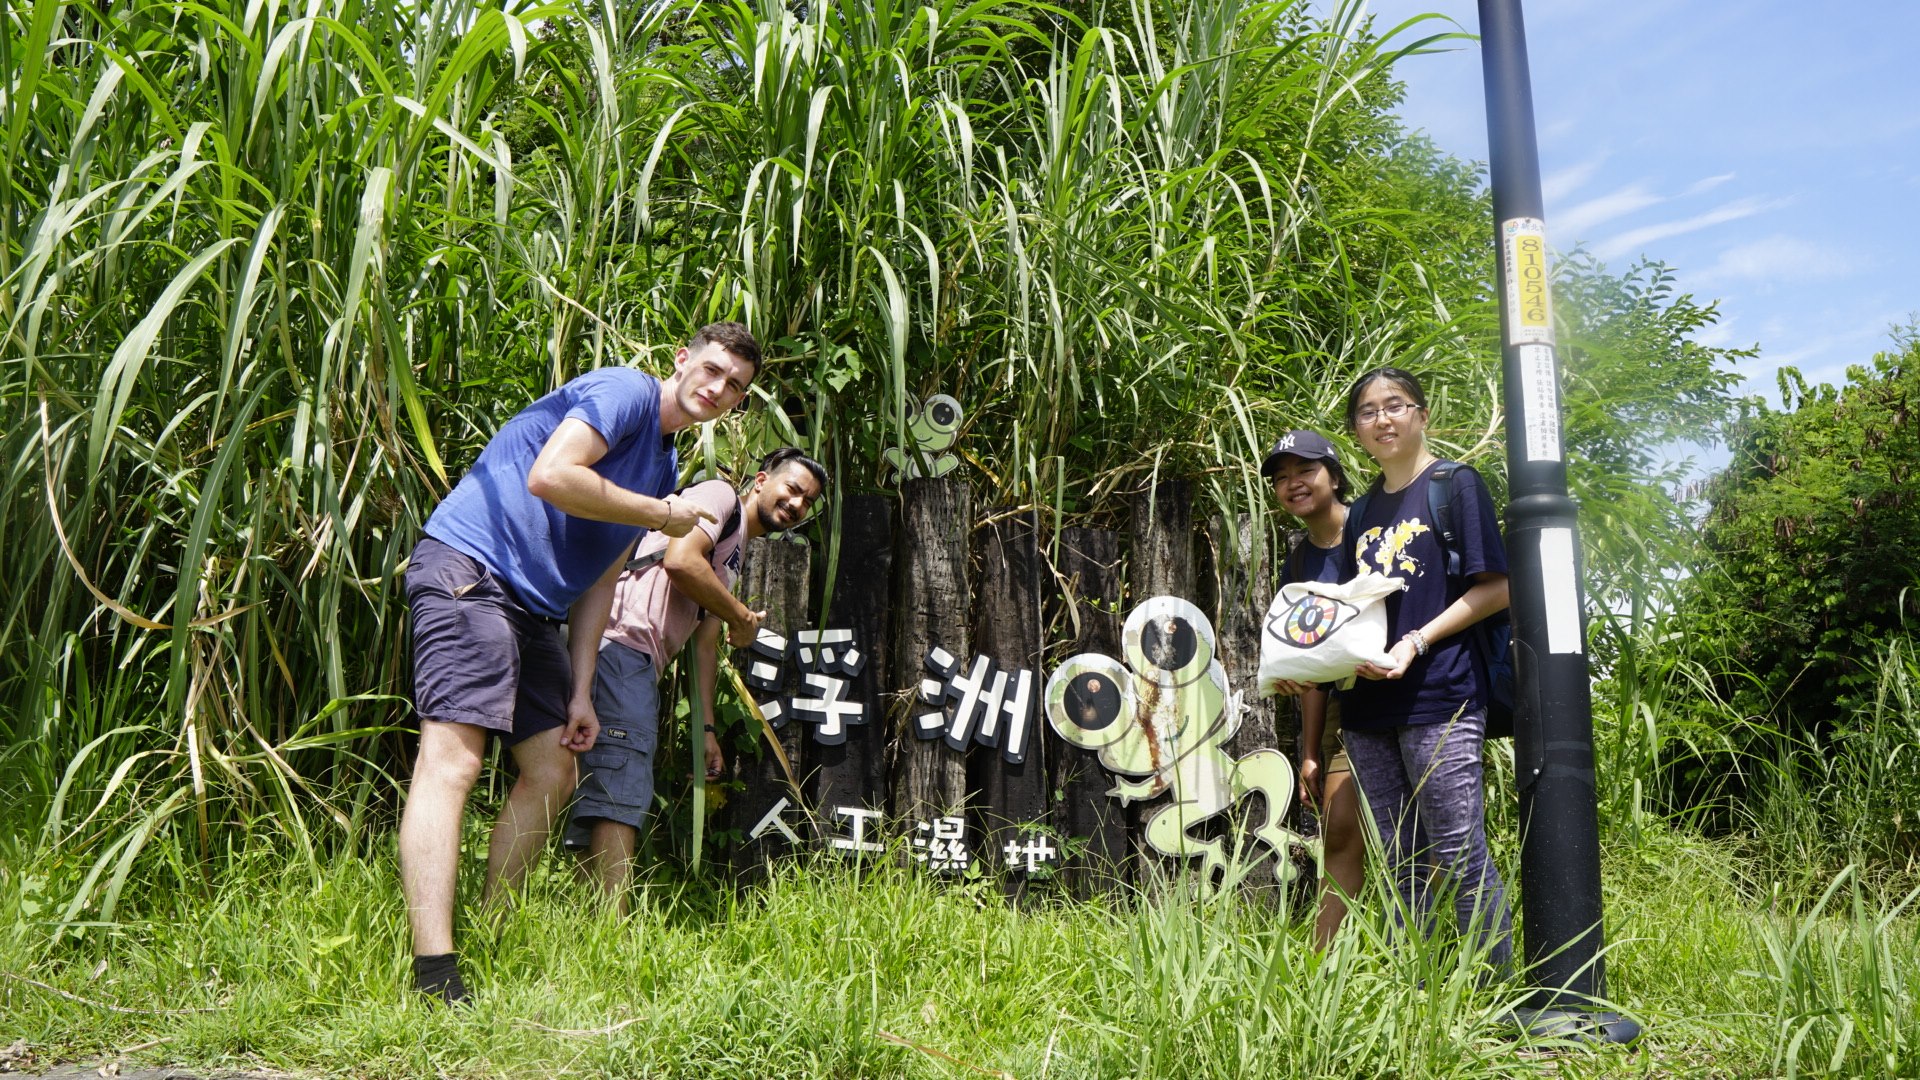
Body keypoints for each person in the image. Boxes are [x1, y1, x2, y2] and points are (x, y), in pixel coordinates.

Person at [398, 322, 761, 1004]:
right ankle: (435, 970)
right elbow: (551, 474)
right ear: (682, 360)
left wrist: (582, 690)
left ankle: (493, 931)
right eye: (711, 370)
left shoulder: (663, 465)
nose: (718, 389)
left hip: (536, 611)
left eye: (735, 387)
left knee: (554, 769)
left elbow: (601, 579)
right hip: (471, 569)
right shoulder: (625, 392)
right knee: (455, 760)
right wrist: (662, 514)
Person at [565, 447, 828, 913]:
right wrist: (741, 616)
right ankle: (611, 934)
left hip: (633, 657)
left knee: (606, 784)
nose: (797, 505)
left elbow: (705, 645)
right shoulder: (718, 497)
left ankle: (589, 924)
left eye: (808, 502)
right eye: (792, 490)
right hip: (621, 643)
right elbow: (682, 561)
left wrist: (706, 731)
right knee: (620, 788)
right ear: (762, 480)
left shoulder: (736, 550)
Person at [1334, 367, 1513, 971]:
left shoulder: (1454, 485)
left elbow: (1495, 589)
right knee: (1400, 857)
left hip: (1441, 693)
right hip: (1367, 704)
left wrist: (1416, 641)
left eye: (1395, 405)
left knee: (1459, 848)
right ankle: (1423, 989)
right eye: (1368, 411)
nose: (1382, 419)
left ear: (1421, 415)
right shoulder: (1360, 512)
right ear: (1357, 430)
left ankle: (1494, 991)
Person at [1260, 429, 1364, 949]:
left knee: (1424, 836)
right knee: (1339, 826)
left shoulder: (1374, 527)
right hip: (1347, 710)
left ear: (1335, 474)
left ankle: (1444, 960)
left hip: (1409, 701)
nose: (1292, 484)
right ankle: (1323, 967)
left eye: (1304, 470)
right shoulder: (1300, 560)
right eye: (1281, 477)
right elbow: (1312, 661)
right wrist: (1309, 751)